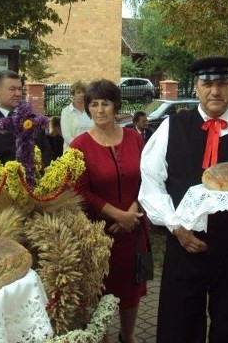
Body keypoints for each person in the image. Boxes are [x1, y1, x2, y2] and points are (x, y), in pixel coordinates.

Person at [139, 57, 228, 343]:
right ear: (196, 88)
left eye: (222, 84)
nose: (215, 92)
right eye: (207, 84)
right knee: (177, 323)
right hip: (185, 242)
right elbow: (151, 182)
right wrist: (176, 226)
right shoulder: (173, 127)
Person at [70, 79, 146, 343]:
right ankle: (101, 336)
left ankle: (128, 335)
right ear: (88, 108)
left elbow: (149, 178)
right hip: (100, 232)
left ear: (116, 106)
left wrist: (133, 213)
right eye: (94, 104)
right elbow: (80, 192)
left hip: (135, 227)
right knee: (100, 287)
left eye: (106, 103)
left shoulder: (136, 138)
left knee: (133, 287)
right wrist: (117, 215)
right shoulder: (79, 146)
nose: (100, 110)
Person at [0, 70, 53, 165]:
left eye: (20, 89)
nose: (18, 94)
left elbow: (47, 154)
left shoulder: (33, 119)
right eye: (12, 89)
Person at [60, 80, 92, 150]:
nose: (82, 95)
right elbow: (67, 136)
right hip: (73, 153)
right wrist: (81, 149)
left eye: (84, 92)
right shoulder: (66, 112)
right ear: (73, 94)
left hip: (92, 151)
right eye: (78, 92)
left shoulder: (92, 110)